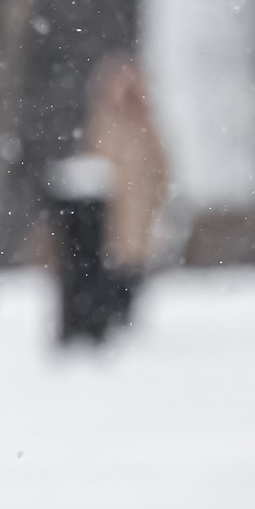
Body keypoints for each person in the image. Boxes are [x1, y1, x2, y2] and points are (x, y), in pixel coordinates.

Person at [84, 55, 169, 329]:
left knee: (133, 264)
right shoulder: (104, 124)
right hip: (109, 208)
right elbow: (92, 160)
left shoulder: (146, 126)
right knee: (109, 263)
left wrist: (155, 196)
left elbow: (161, 166)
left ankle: (125, 313)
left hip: (139, 208)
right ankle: (107, 313)